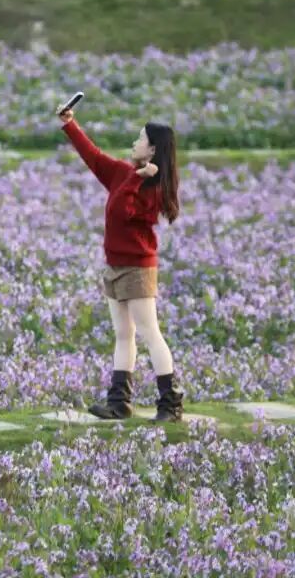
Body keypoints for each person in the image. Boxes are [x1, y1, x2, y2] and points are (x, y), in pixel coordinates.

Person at [57, 105, 183, 422]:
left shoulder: (154, 189)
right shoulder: (124, 173)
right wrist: (70, 125)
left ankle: (170, 404)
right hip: (114, 265)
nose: (134, 141)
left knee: (149, 332)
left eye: (140, 138)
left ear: (152, 149)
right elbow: (94, 157)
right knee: (122, 334)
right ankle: (119, 402)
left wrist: (137, 179)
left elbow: (123, 212)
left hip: (138, 268)